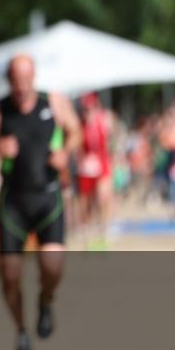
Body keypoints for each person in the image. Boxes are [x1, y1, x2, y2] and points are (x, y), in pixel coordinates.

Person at [0, 54, 81, 350]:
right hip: (13, 203)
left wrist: (65, 153)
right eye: (16, 81)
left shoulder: (54, 103)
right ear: (9, 80)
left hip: (48, 196)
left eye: (26, 79)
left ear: (34, 77)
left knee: (53, 265)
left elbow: (75, 131)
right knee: (9, 273)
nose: (21, 87)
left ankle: (45, 301)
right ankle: (21, 331)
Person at [76, 92, 114, 248]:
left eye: (90, 108)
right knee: (87, 204)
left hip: (101, 164)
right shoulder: (80, 125)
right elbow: (78, 148)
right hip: (86, 168)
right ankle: (87, 235)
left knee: (103, 198)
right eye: (85, 109)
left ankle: (104, 233)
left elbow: (109, 143)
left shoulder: (104, 120)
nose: (88, 111)